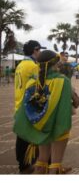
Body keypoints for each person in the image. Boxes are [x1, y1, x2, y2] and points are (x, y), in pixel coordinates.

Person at [13, 50, 73, 174]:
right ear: (55, 64)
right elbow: (71, 105)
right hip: (58, 128)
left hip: (40, 126)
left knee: (41, 161)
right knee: (55, 164)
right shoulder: (62, 81)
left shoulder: (32, 81)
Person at [13, 40, 45, 174]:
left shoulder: (20, 65)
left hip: (19, 104)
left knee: (22, 137)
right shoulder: (32, 66)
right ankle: (25, 166)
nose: (41, 53)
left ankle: (24, 164)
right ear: (35, 50)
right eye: (39, 50)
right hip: (28, 107)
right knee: (27, 139)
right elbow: (40, 85)